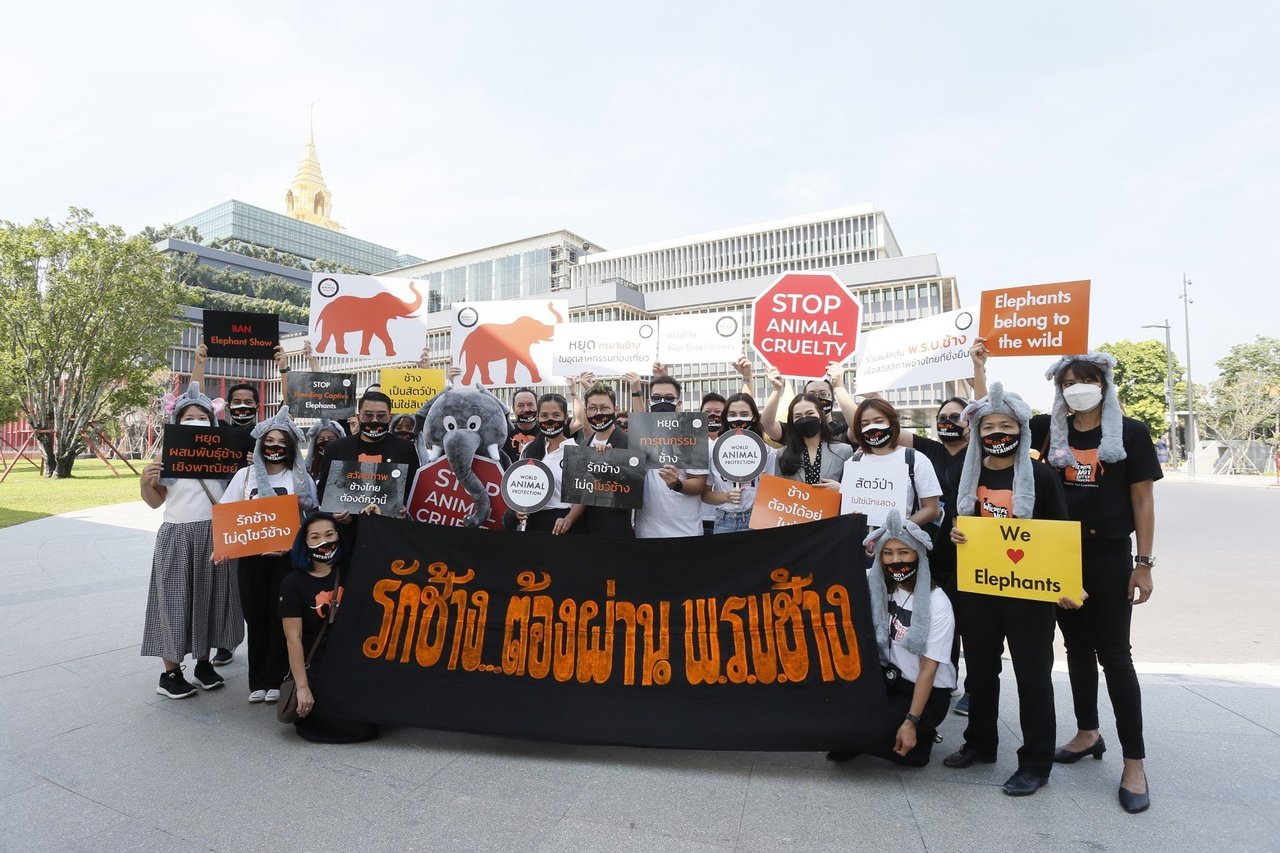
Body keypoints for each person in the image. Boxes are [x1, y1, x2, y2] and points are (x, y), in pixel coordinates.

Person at [1031, 353, 1162, 814]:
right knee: (1077, 650)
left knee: (1116, 657)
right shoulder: (1046, 430)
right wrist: (979, 371)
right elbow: (991, 420)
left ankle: (1134, 763)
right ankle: (1088, 732)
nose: (1078, 387)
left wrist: (1143, 563)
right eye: (1069, 381)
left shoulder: (1131, 432)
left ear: (1104, 384)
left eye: (1087, 379)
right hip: (1060, 557)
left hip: (1109, 557)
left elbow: (1143, 500)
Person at [944, 383, 1074, 797]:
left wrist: (1066, 586)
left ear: (1020, 429)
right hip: (979, 590)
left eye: (1006, 425)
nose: (997, 433)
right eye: (988, 427)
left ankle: (1035, 763)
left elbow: (1060, 534)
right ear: (977, 432)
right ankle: (980, 743)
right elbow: (955, 523)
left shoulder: (1040, 476)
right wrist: (956, 535)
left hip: (1029, 595)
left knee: (1033, 677)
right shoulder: (967, 474)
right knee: (981, 672)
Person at [140, 382, 244, 698]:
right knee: (174, 601)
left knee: (210, 599)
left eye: (202, 416)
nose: (195, 421)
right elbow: (155, 501)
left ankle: (203, 663)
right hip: (177, 533)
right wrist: (146, 481)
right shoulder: (167, 454)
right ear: (178, 422)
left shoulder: (223, 453)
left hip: (214, 533)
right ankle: (170, 673)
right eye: (189, 417)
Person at [829, 510, 957, 766]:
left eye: (903, 552)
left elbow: (928, 671)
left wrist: (912, 721)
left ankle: (920, 738)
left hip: (925, 692)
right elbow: (835, 571)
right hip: (885, 682)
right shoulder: (876, 584)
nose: (895, 560)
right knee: (834, 730)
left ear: (918, 555)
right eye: (888, 553)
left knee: (861, 733)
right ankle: (873, 736)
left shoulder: (938, 602)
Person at [219, 406, 317, 703]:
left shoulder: (299, 477)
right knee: (256, 617)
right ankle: (257, 681)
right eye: (269, 441)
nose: (275, 447)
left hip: (287, 560)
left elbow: (313, 515)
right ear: (260, 444)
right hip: (252, 559)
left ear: (290, 446)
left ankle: (278, 678)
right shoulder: (244, 477)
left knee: (282, 618)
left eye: (281, 442)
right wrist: (222, 547)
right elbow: (226, 513)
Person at [280, 513, 378, 743]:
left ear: (338, 536)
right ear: (305, 542)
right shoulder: (293, 584)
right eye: (315, 537)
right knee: (343, 728)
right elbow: (293, 639)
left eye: (329, 534)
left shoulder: (353, 571)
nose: (323, 541)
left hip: (352, 665)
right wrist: (302, 688)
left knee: (370, 725)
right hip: (318, 668)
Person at [630, 372, 709, 539]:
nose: (662, 402)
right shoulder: (642, 436)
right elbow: (640, 420)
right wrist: (635, 391)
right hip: (647, 533)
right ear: (650, 402)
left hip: (685, 533)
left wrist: (677, 484)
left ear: (678, 403)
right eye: (656, 398)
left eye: (669, 398)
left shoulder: (693, 435)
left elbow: (699, 485)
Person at [316, 391, 420, 512]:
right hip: (349, 526)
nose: (374, 420)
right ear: (359, 416)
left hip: (388, 525)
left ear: (390, 418)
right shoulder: (336, 448)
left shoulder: (405, 448)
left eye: (381, 416)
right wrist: (334, 513)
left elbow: (415, 490)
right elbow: (323, 490)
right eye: (368, 415)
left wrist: (404, 511)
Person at [847, 397, 942, 530]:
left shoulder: (916, 460)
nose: (872, 427)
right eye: (865, 424)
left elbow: (932, 509)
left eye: (879, 421)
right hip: (858, 543)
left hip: (900, 544)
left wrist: (896, 530)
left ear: (892, 423)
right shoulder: (854, 462)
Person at [555, 383, 634, 537]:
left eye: (604, 408)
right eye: (593, 408)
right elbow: (581, 493)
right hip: (588, 532)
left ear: (615, 409)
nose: (598, 413)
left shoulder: (629, 444)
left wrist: (614, 463)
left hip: (618, 533)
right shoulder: (583, 447)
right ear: (586, 411)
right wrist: (569, 519)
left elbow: (633, 490)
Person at [503, 393, 578, 533]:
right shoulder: (529, 449)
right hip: (533, 523)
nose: (550, 420)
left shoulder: (576, 452)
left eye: (556, 415)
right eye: (544, 415)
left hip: (562, 524)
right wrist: (518, 510)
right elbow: (521, 486)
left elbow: (581, 497)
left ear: (565, 418)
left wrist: (569, 519)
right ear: (538, 418)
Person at [702, 392, 770, 533]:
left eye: (744, 414)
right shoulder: (714, 449)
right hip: (723, 521)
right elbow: (705, 494)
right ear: (725, 418)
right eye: (732, 414)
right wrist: (726, 497)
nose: (738, 419)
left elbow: (772, 494)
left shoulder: (765, 451)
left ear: (754, 417)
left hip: (755, 520)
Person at [766, 376, 851, 488]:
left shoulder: (844, 451)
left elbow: (855, 493)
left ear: (820, 416)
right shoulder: (782, 454)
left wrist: (842, 489)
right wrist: (777, 389)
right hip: (796, 505)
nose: (805, 418)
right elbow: (778, 491)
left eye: (810, 413)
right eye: (798, 416)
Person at [698, 392, 727, 534]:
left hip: (728, 519)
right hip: (697, 520)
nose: (712, 415)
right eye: (707, 412)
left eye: (718, 412)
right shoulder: (690, 444)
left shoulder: (734, 444)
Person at [305, 417, 345, 487]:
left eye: (331, 439)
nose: (326, 442)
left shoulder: (347, 466)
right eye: (321, 439)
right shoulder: (310, 468)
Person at [505, 387, 540, 460]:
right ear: (513, 409)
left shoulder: (547, 432)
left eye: (530, 404)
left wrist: (571, 393)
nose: (526, 409)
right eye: (520, 405)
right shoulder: (504, 434)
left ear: (537, 407)